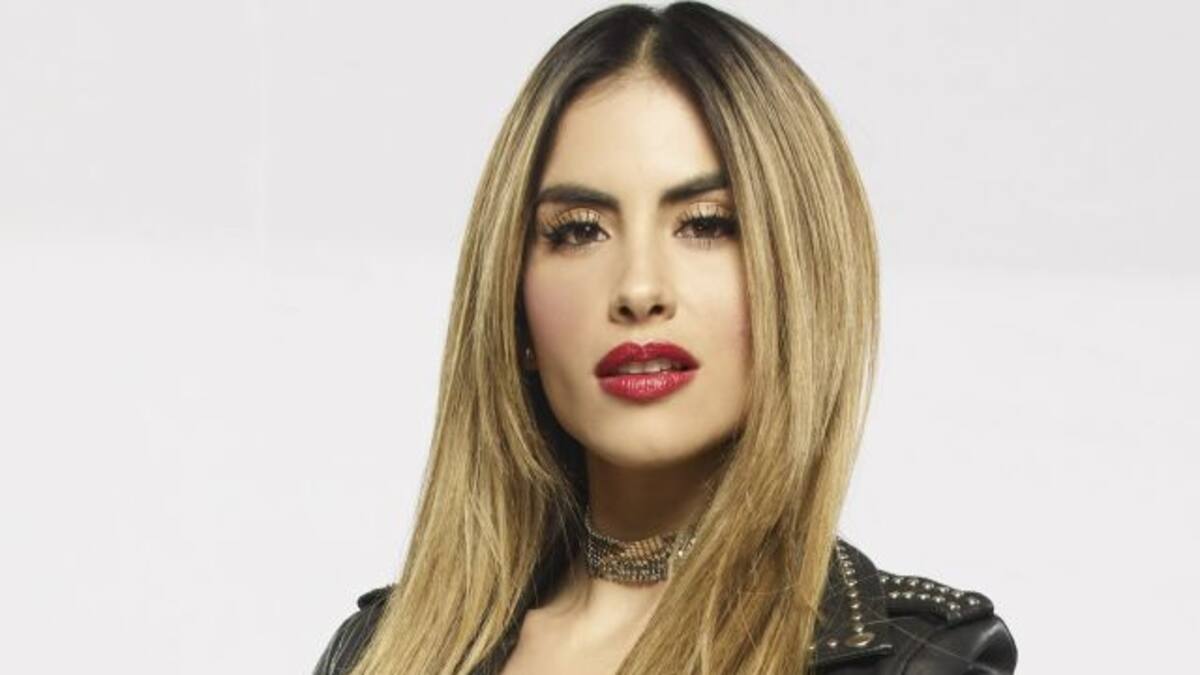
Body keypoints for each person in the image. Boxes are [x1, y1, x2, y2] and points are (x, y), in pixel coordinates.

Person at [312, 2, 1017, 673]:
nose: (639, 288)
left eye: (706, 224)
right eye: (580, 230)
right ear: (514, 311)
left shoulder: (921, 662)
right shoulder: (376, 653)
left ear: (801, 283)